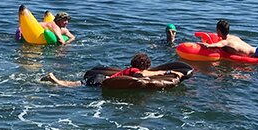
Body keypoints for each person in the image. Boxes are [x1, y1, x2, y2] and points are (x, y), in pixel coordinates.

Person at [41, 52, 183, 87]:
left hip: (100, 77)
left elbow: (150, 72)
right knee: (72, 86)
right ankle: (55, 81)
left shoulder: (129, 69)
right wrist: (169, 73)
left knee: (77, 84)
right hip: (101, 81)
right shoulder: (135, 71)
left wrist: (166, 72)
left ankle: (54, 80)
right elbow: (141, 75)